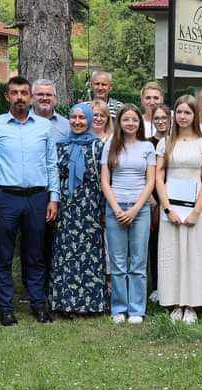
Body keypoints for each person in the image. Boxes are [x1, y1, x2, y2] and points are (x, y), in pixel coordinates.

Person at [0, 76, 59, 326]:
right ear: (7, 96)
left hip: (37, 197)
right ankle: (5, 307)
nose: (20, 97)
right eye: (14, 93)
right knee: (4, 255)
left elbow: (51, 164)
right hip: (5, 197)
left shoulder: (44, 127)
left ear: (31, 97)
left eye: (24, 93)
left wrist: (53, 198)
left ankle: (38, 303)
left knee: (35, 253)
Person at [155, 95, 202, 324]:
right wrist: (167, 208)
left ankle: (191, 304)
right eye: (179, 112)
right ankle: (175, 303)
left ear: (194, 115)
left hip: (194, 208)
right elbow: (159, 175)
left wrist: (196, 211)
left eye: (187, 112)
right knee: (172, 254)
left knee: (193, 255)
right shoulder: (165, 143)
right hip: (171, 207)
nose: (182, 117)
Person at [50, 102, 108, 316]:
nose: (77, 121)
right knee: (66, 253)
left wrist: (102, 209)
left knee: (90, 252)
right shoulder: (60, 146)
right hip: (66, 207)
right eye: (73, 117)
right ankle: (65, 303)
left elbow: (103, 181)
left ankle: (91, 304)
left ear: (89, 120)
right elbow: (53, 176)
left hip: (90, 207)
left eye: (82, 118)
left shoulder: (98, 146)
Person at [101, 105, 157, 324]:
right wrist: (116, 208)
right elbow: (105, 181)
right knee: (117, 262)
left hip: (140, 209)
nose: (131, 123)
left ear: (139, 123)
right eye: (126, 120)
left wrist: (134, 209)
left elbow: (150, 181)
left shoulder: (147, 147)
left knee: (138, 261)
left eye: (135, 120)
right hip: (115, 207)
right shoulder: (110, 146)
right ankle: (118, 308)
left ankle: (136, 309)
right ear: (120, 122)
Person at [26, 78, 68, 300]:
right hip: (34, 190)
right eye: (40, 94)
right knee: (31, 244)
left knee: (55, 242)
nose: (44, 98)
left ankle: (53, 287)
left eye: (49, 95)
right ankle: (32, 289)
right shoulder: (25, 122)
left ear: (55, 98)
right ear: (33, 97)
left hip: (61, 192)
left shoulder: (66, 125)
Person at [147, 104, 171, 302]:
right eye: (157, 118)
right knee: (155, 243)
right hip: (153, 199)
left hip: (175, 197)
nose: (161, 121)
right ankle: (156, 285)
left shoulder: (177, 141)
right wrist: (152, 200)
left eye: (164, 117)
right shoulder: (148, 143)